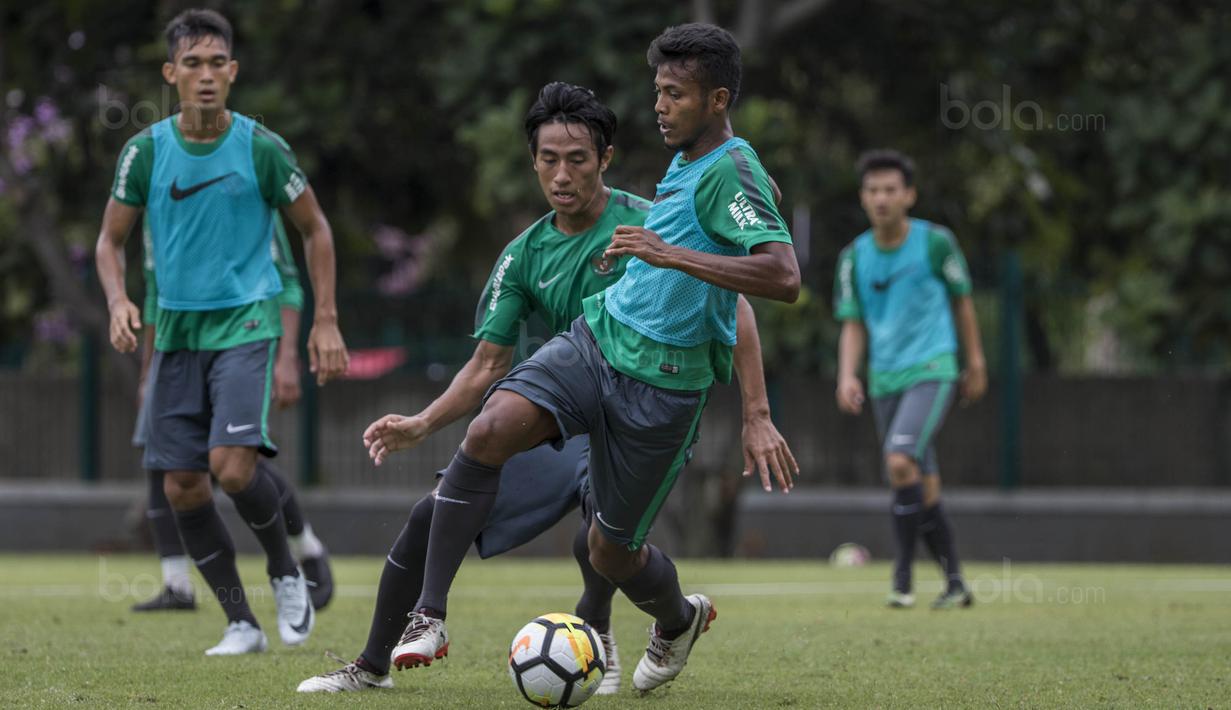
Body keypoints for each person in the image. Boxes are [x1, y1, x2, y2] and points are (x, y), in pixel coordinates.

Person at [297, 81, 794, 694]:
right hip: (565, 407)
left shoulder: (650, 220)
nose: (562, 175)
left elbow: (736, 305)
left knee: (606, 544)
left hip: (644, 398)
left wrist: (756, 411)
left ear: (604, 160)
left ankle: (618, 627)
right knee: (438, 505)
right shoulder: (524, 254)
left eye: (578, 159)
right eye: (548, 160)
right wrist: (423, 423)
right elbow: (485, 365)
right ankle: (375, 663)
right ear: (533, 163)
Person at [95, 8, 349, 655]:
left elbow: (314, 228)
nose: (205, 76)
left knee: (231, 469)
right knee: (183, 484)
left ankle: (287, 572)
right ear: (170, 72)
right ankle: (241, 622)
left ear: (232, 72)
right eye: (192, 64)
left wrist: (323, 319)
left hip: (247, 322)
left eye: (216, 64)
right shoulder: (145, 151)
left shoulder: (261, 148)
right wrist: (119, 299)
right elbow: (109, 240)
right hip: (177, 332)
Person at [129, 215, 333, 613]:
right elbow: (156, 291)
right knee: (166, 460)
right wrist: (147, 371)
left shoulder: (245, 179)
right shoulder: (157, 201)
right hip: (178, 351)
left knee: (237, 460)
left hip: (240, 343)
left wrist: (286, 355)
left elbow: (288, 281)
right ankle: (179, 585)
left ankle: (302, 553)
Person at [833, 149, 987, 609]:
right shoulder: (853, 258)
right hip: (884, 379)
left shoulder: (936, 243)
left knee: (900, 460)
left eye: (891, 190)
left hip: (932, 369)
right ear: (863, 197)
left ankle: (901, 580)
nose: (882, 198)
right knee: (923, 480)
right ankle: (955, 582)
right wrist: (846, 375)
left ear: (909, 195)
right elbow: (853, 322)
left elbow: (963, 301)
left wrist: (974, 362)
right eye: (873, 190)